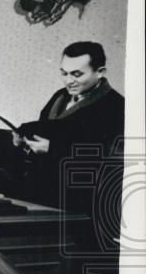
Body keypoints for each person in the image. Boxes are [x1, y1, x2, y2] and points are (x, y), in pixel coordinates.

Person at [16, 41, 125, 211]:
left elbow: (110, 162)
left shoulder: (117, 106)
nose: (68, 81)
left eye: (76, 74)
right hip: (40, 192)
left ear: (100, 72)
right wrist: (25, 140)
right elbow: (48, 128)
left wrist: (52, 150)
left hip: (79, 201)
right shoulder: (60, 95)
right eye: (64, 73)